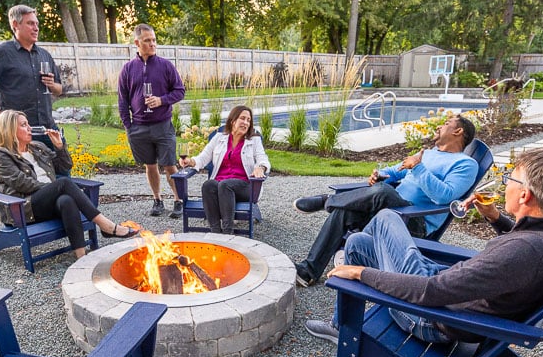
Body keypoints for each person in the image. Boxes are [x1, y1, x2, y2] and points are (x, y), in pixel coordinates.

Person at [304, 147, 543, 344]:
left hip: (431, 318)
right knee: (358, 241)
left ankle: (339, 246)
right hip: (450, 293)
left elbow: (431, 291)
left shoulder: (524, 252)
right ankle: (340, 327)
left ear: (525, 195)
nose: (504, 185)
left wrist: (360, 274)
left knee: (387, 217)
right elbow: (522, 248)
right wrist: (497, 219)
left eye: (509, 179)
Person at [291, 114, 479, 287]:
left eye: (446, 124)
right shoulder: (428, 153)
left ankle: (327, 201)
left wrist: (418, 167)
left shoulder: (466, 164)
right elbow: (394, 170)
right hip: (387, 213)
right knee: (345, 210)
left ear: (458, 131)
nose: (439, 126)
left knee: (383, 192)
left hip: (413, 223)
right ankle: (308, 271)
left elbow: (444, 196)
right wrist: (380, 175)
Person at [0, 110, 137, 259]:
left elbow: (65, 166)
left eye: (28, 123)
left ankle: (81, 256)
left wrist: (60, 148)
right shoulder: (2, 155)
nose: (29, 128)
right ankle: (106, 226)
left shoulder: (37, 147)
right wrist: (54, 189)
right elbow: (22, 184)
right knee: (64, 183)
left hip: (47, 203)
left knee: (66, 200)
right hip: (25, 207)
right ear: (9, 130)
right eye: (23, 125)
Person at [0, 4, 66, 167]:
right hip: (18, 133)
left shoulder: (44, 55)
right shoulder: (3, 52)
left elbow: (59, 90)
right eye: (30, 23)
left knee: (62, 171)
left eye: (37, 24)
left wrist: (52, 85)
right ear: (15, 25)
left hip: (48, 129)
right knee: (26, 181)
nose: (36, 28)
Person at [118, 24, 187, 218]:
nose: (152, 44)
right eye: (147, 40)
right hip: (138, 127)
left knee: (169, 165)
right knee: (150, 165)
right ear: (137, 43)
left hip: (162, 125)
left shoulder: (165, 65)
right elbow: (122, 100)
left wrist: (161, 100)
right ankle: (157, 200)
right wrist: (128, 126)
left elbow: (180, 91)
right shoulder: (128, 69)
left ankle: (178, 200)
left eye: (154, 40)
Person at [179, 105, 270, 234]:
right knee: (208, 184)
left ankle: (228, 232)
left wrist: (261, 168)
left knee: (225, 185)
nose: (246, 123)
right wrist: (190, 161)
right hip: (221, 186)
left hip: (245, 186)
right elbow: (203, 158)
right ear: (233, 121)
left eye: (248, 120)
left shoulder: (254, 141)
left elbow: (263, 159)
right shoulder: (219, 138)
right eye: (242, 118)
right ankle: (215, 231)